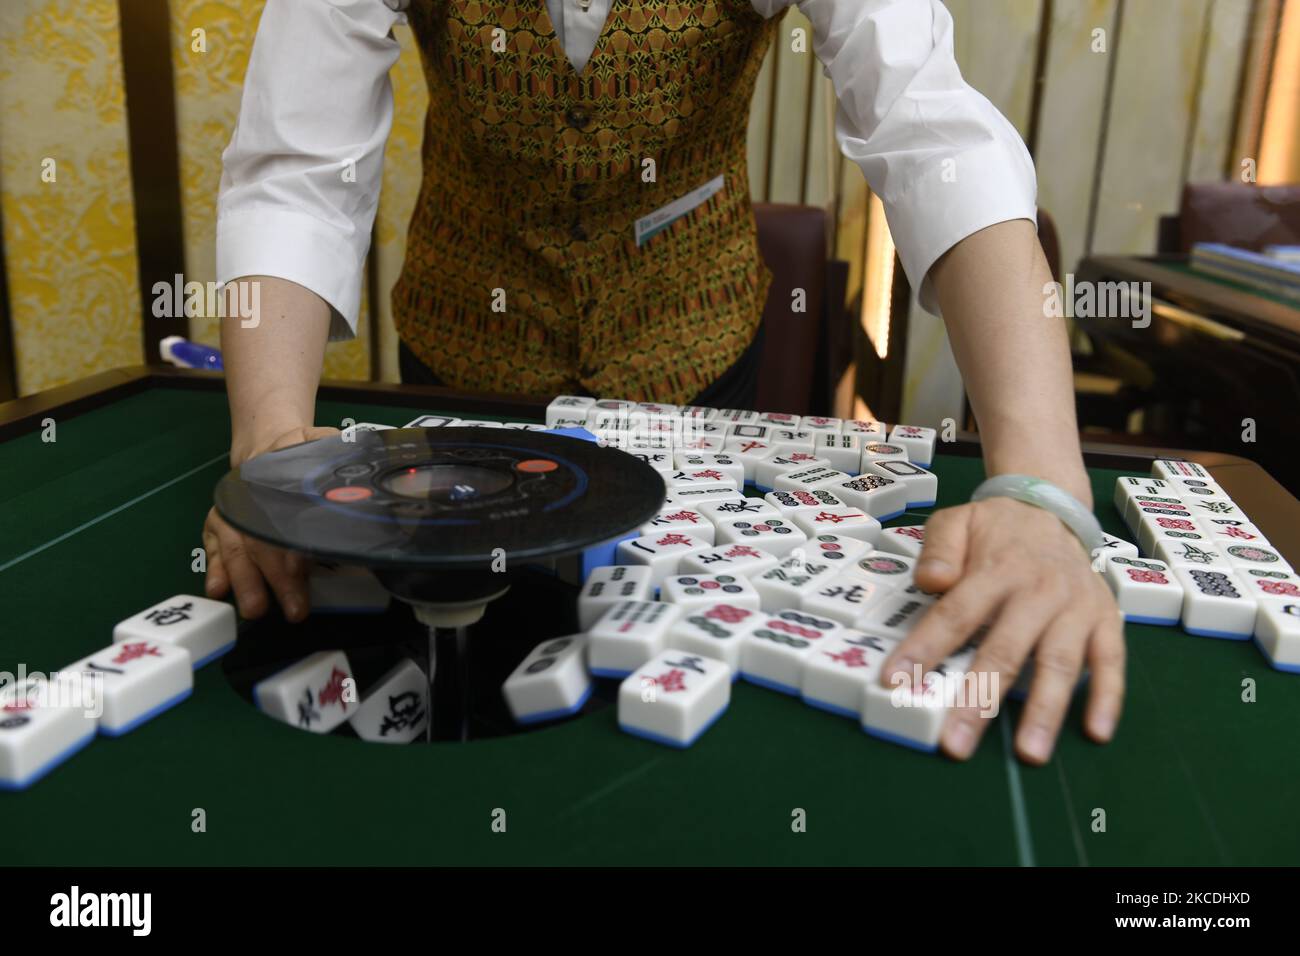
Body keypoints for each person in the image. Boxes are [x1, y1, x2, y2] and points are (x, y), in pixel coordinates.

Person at [204, 0, 1124, 764]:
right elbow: (298, 173)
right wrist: (270, 438)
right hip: (470, 350)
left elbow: (934, 137)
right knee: (462, 666)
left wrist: (1040, 489)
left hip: (694, 342)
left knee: (664, 668)